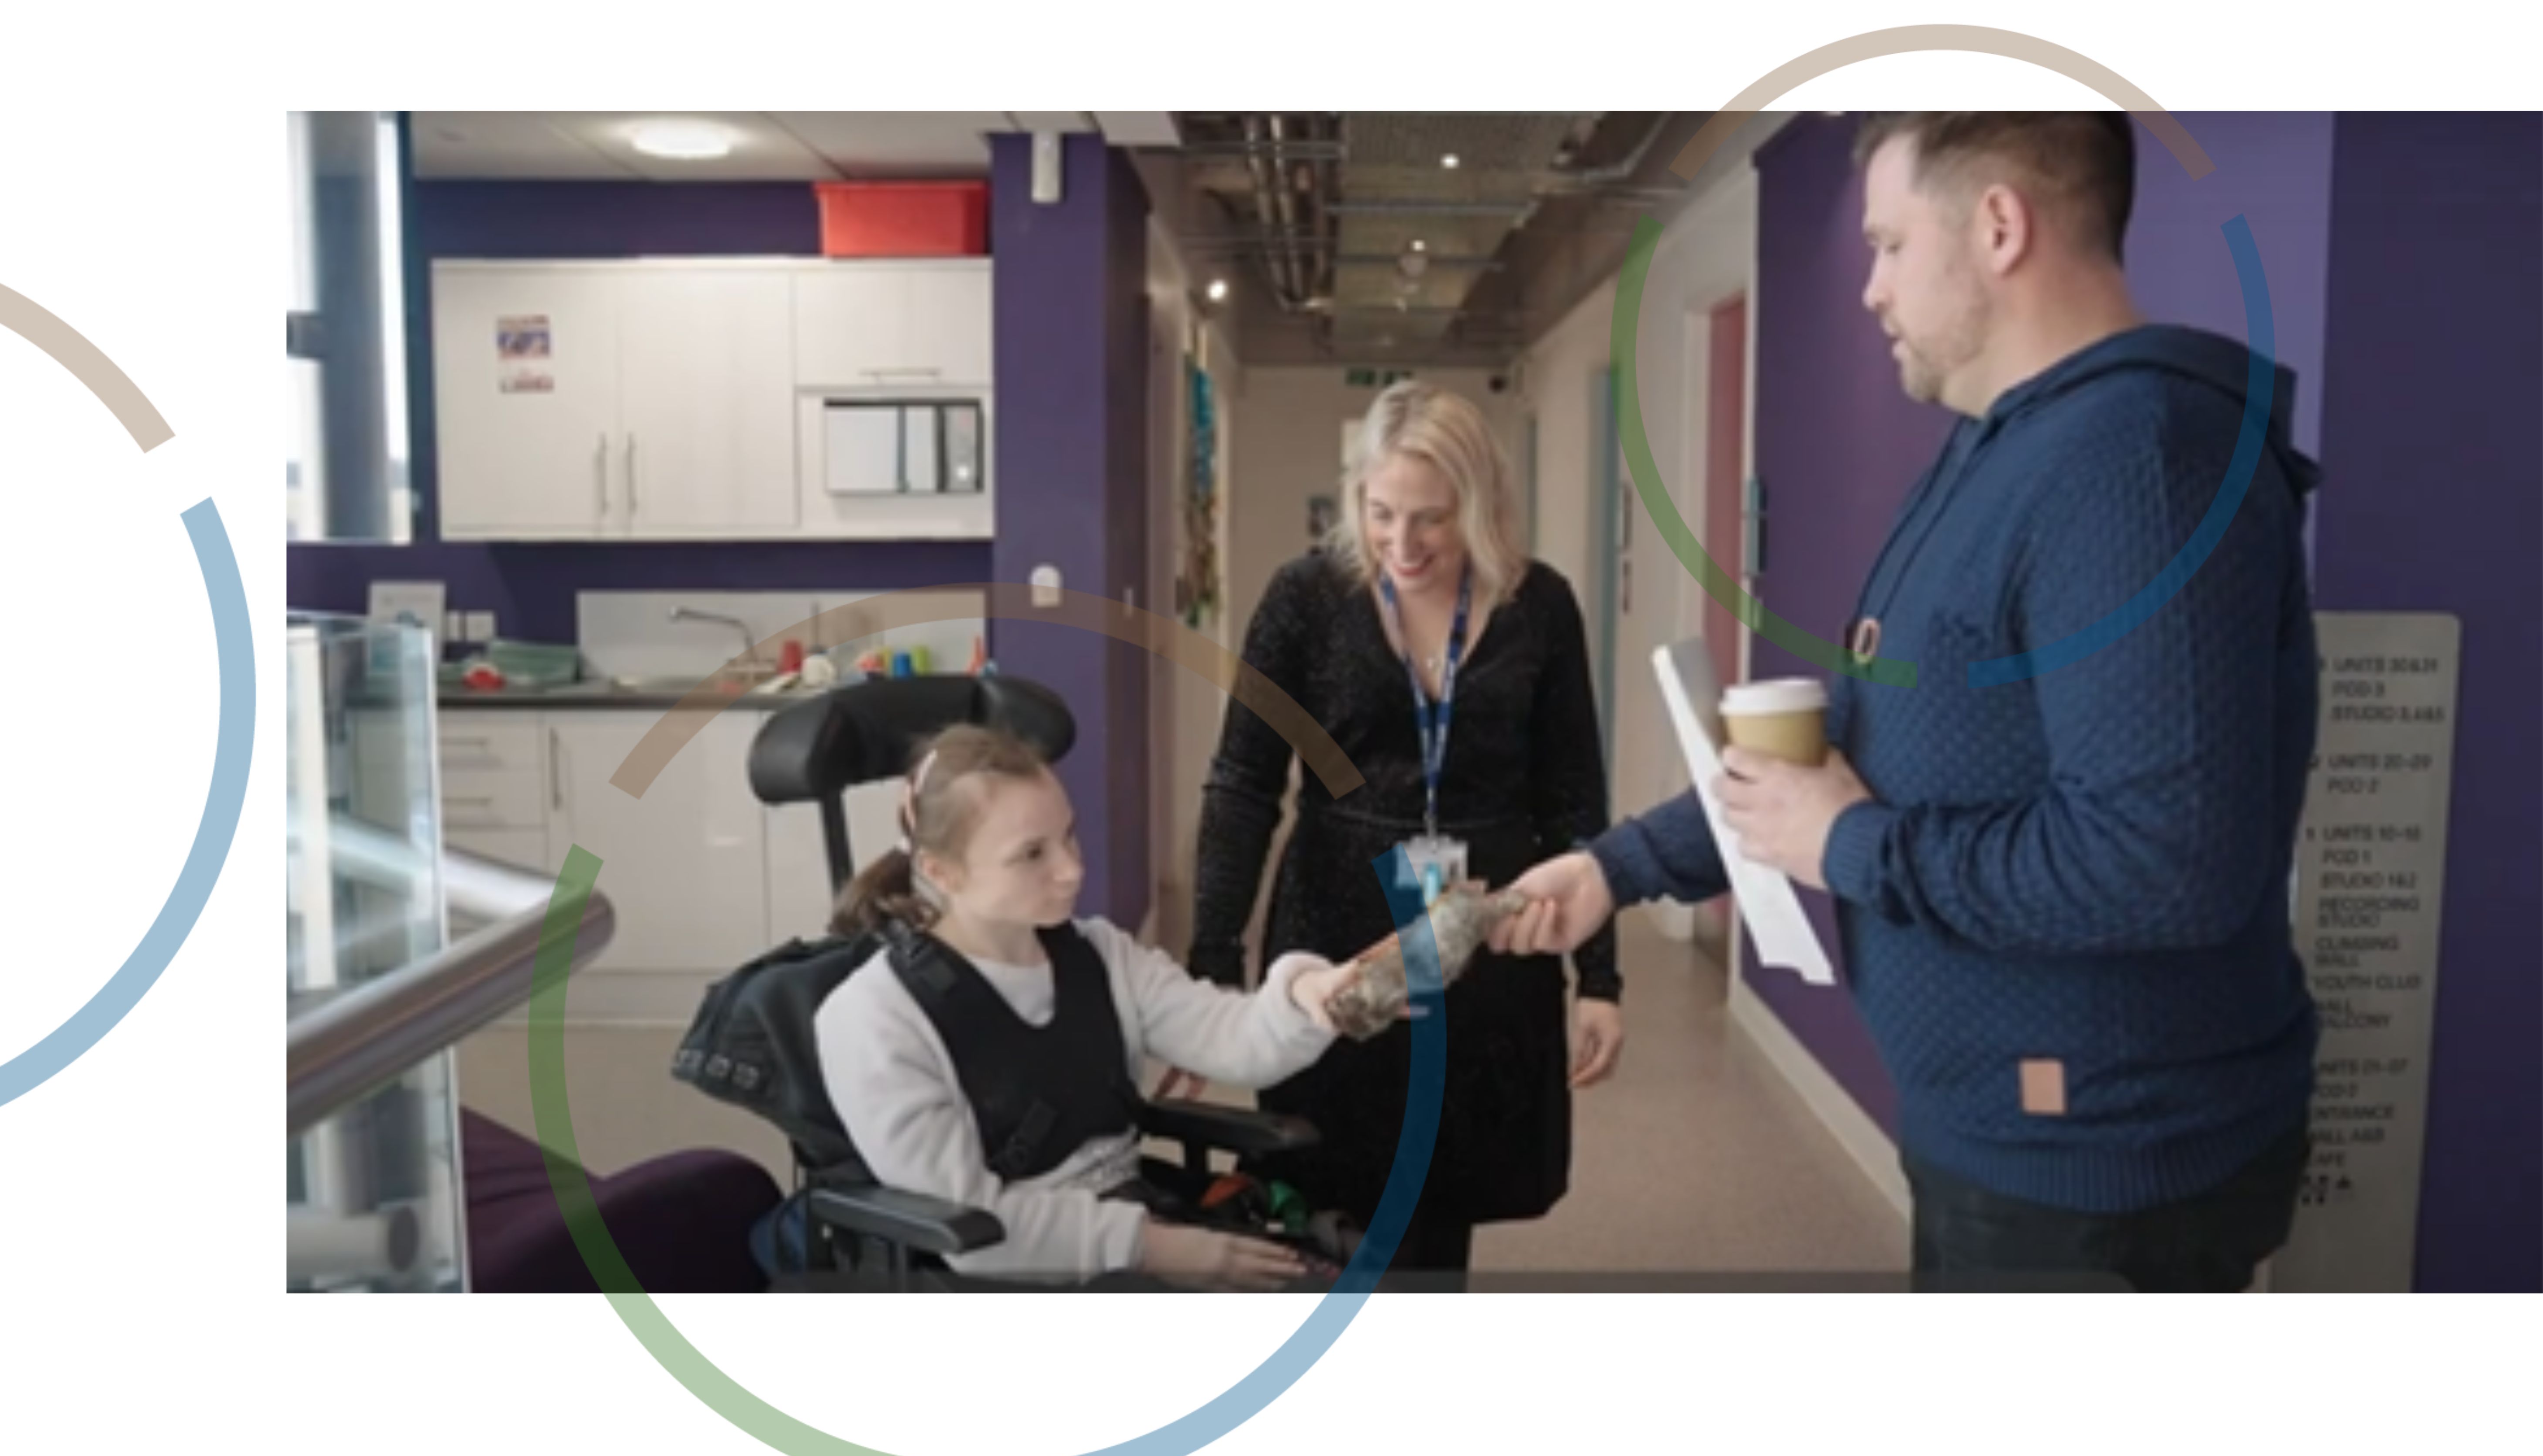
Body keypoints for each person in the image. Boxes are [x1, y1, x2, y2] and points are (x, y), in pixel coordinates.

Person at [1492, 112, 2322, 1291]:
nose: (1870, 289)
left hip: (2101, 1180)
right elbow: (1882, 737)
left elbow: (2162, 862)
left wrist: (1854, 847)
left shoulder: (2138, 461)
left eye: (1887, 245)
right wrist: (1619, 868)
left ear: (1998, 227)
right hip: (2003, 1142)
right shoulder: (2004, 449)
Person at [1191, 380, 1621, 1282]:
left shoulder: (1539, 606)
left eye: (1432, 518)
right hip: (1336, 930)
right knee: (1325, 1187)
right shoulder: (1306, 598)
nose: (1402, 544)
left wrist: (1601, 978)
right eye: (1380, 513)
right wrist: (1210, 967)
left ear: (1483, 503)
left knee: (1446, 1194)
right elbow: (1242, 785)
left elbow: (1575, 802)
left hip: (1491, 933)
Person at [812, 723, 1371, 1290]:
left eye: (1069, 836)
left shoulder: (1100, 955)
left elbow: (1233, 1036)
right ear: (941, 872)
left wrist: (1307, 997)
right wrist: (1159, 1249)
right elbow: (973, 1229)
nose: (1073, 869)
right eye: (1032, 854)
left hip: (1135, 1226)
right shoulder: (875, 1018)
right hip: (1019, 1273)